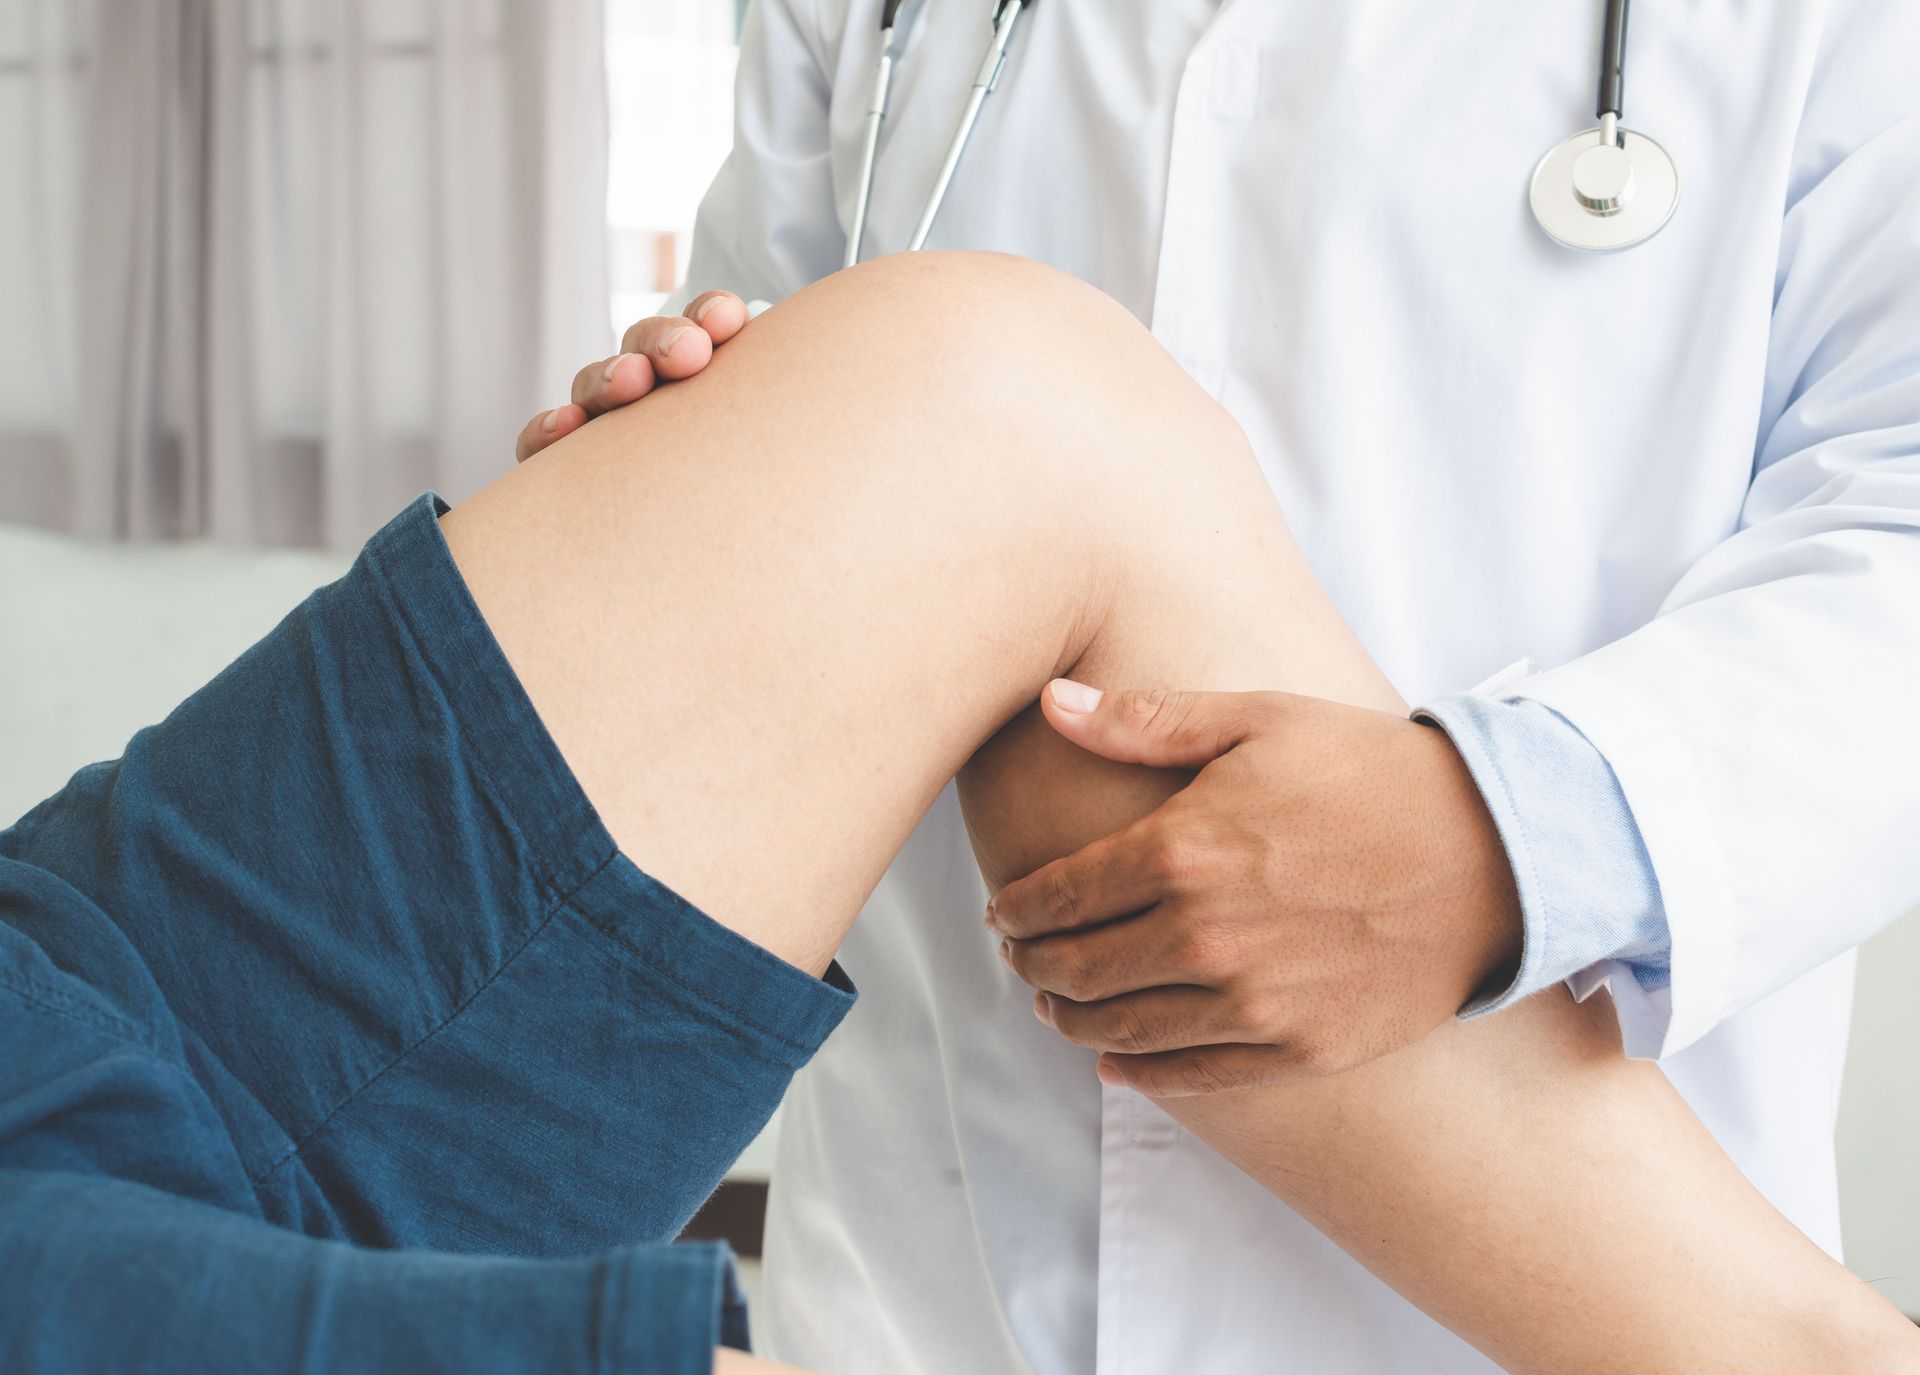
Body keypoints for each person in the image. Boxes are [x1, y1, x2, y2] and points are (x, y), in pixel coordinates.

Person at [5, 254, 1914, 1373]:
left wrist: (1530, 837)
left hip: (54, 1005)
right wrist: (703, 379)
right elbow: (803, 219)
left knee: (998, 393)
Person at [516, 3, 1920, 1369]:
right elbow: (802, 431)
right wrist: (689, 464)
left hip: (1550, 1281)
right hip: (926, 1282)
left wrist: (1520, 838)